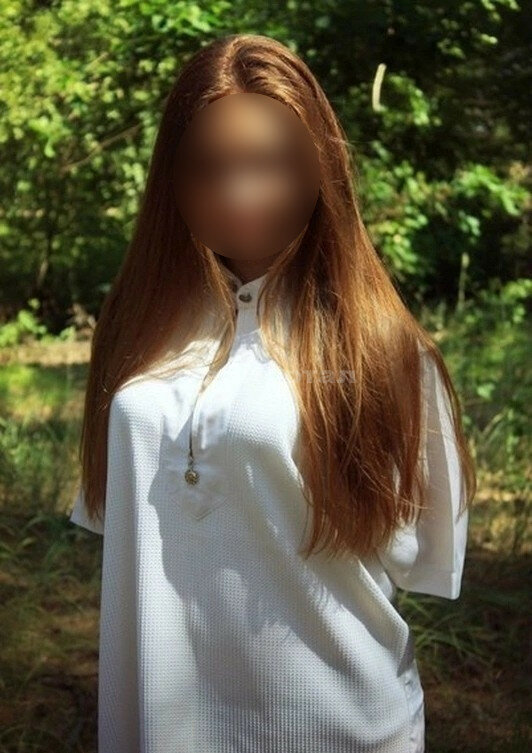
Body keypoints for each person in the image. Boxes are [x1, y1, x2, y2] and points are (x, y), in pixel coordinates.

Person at [69, 32, 476, 753]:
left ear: (320, 168)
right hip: (159, 725)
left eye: (270, 163)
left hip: (335, 725)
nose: (237, 193)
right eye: (206, 167)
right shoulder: (137, 322)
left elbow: (421, 553)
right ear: (171, 179)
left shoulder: (380, 346)